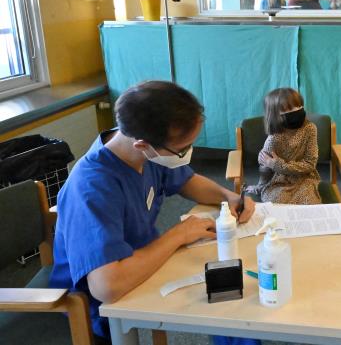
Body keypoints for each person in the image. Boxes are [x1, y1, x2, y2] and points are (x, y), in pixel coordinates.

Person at [49, 81, 258, 345]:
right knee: (219, 299)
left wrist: (228, 197)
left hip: (146, 261)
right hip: (94, 305)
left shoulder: (144, 153)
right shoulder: (91, 187)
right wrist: (178, 234)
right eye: (182, 149)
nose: (187, 154)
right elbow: (107, 287)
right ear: (142, 145)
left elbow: (186, 181)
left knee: (229, 292)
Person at [246, 88, 321, 205]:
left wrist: (277, 164)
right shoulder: (273, 139)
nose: (297, 111)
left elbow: (310, 165)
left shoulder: (310, 129)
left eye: (299, 106)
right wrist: (260, 187)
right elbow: (265, 170)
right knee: (276, 205)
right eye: (289, 109)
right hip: (278, 181)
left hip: (304, 178)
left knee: (310, 204)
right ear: (275, 115)